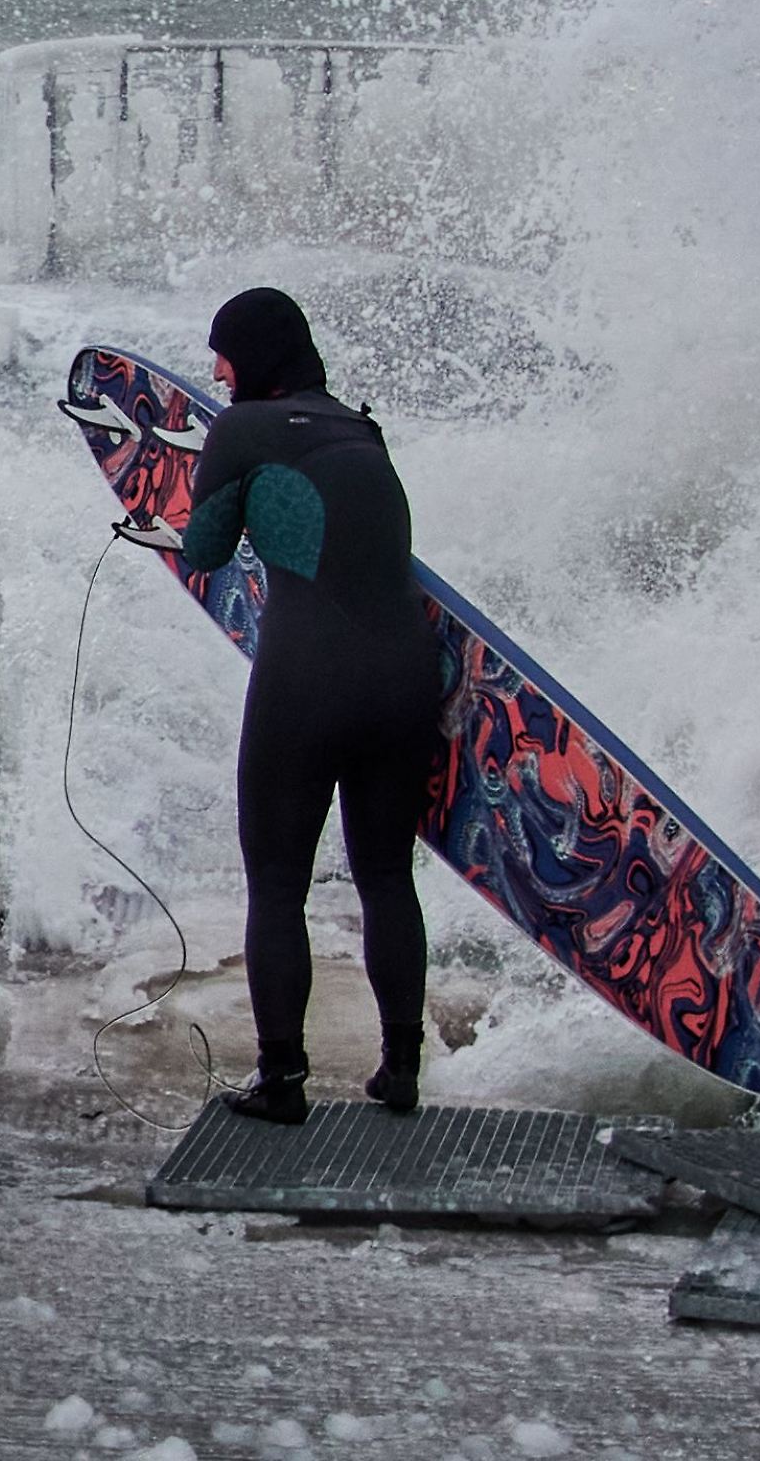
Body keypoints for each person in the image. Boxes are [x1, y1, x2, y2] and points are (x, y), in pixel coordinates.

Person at [179, 287, 443, 1122]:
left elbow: (206, 551)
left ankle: (282, 1081)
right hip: (407, 679)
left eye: (222, 353)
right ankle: (399, 1070)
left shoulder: (241, 430)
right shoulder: (364, 432)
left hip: (307, 683)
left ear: (253, 357)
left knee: (279, 885)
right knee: (387, 876)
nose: (216, 371)